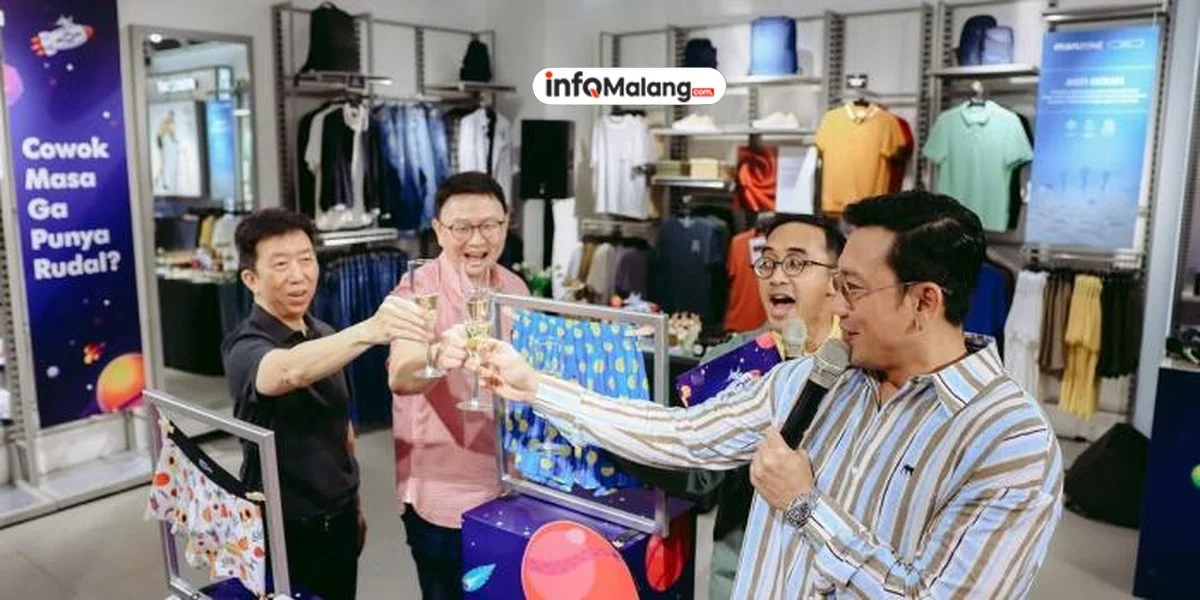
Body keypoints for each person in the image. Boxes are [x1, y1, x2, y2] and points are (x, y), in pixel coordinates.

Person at [462, 191, 1063, 598]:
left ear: (924, 301)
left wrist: (805, 506)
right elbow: (683, 436)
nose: (835, 303)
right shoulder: (815, 378)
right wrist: (537, 387)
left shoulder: (1009, 443)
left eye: (852, 289)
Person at [614, 213, 845, 600]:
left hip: (830, 579)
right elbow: (697, 474)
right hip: (740, 574)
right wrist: (615, 432)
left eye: (795, 262)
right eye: (767, 262)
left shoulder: (863, 364)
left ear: (835, 279)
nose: (776, 276)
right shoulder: (733, 360)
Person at [222, 208, 438, 600]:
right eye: (281, 264)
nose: (298, 275)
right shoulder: (245, 345)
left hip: (338, 519)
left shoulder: (324, 334)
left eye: (306, 259)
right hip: (281, 527)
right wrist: (370, 329)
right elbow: (286, 372)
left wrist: (354, 507)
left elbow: (343, 430)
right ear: (251, 279)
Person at [387, 172, 530, 599]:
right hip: (444, 500)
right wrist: (435, 356)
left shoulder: (515, 287)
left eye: (489, 225)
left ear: (506, 223)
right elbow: (401, 374)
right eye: (462, 227)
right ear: (438, 230)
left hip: (508, 486)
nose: (477, 239)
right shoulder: (416, 290)